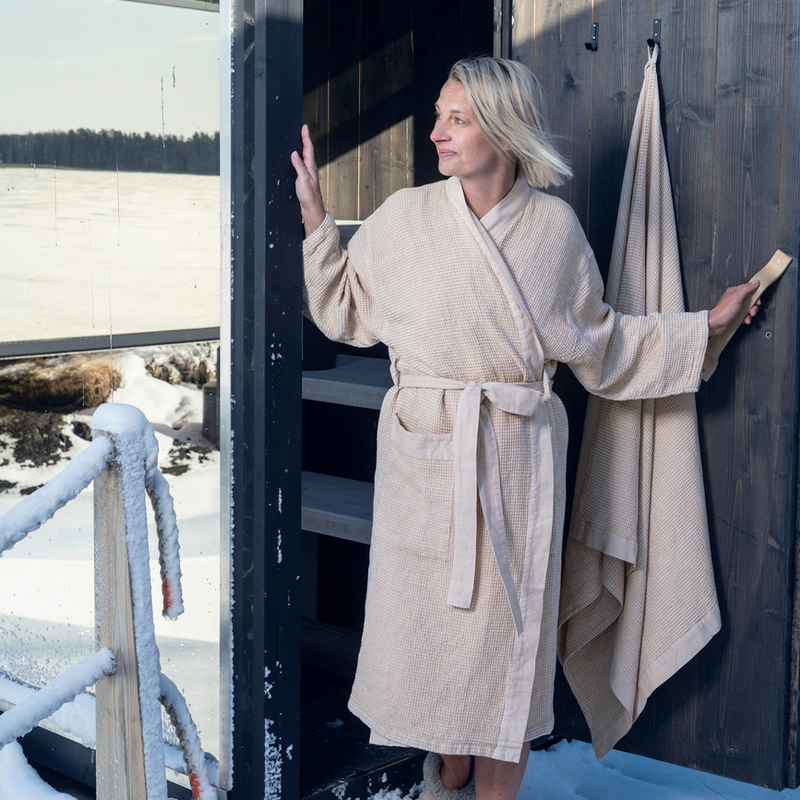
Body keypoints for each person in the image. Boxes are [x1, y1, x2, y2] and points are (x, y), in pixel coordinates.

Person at [291, 57, 760, 800]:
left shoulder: (554, 230)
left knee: (509, 665)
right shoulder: (405, 218)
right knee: (436, 658)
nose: (436, 132)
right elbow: (346, 311)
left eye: (458, 119)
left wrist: (706, 326)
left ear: (503, 131)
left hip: (514, 465)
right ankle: (446, 770)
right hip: (426, 464)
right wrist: (319, 224)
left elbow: (602, 345)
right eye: (440, 113)